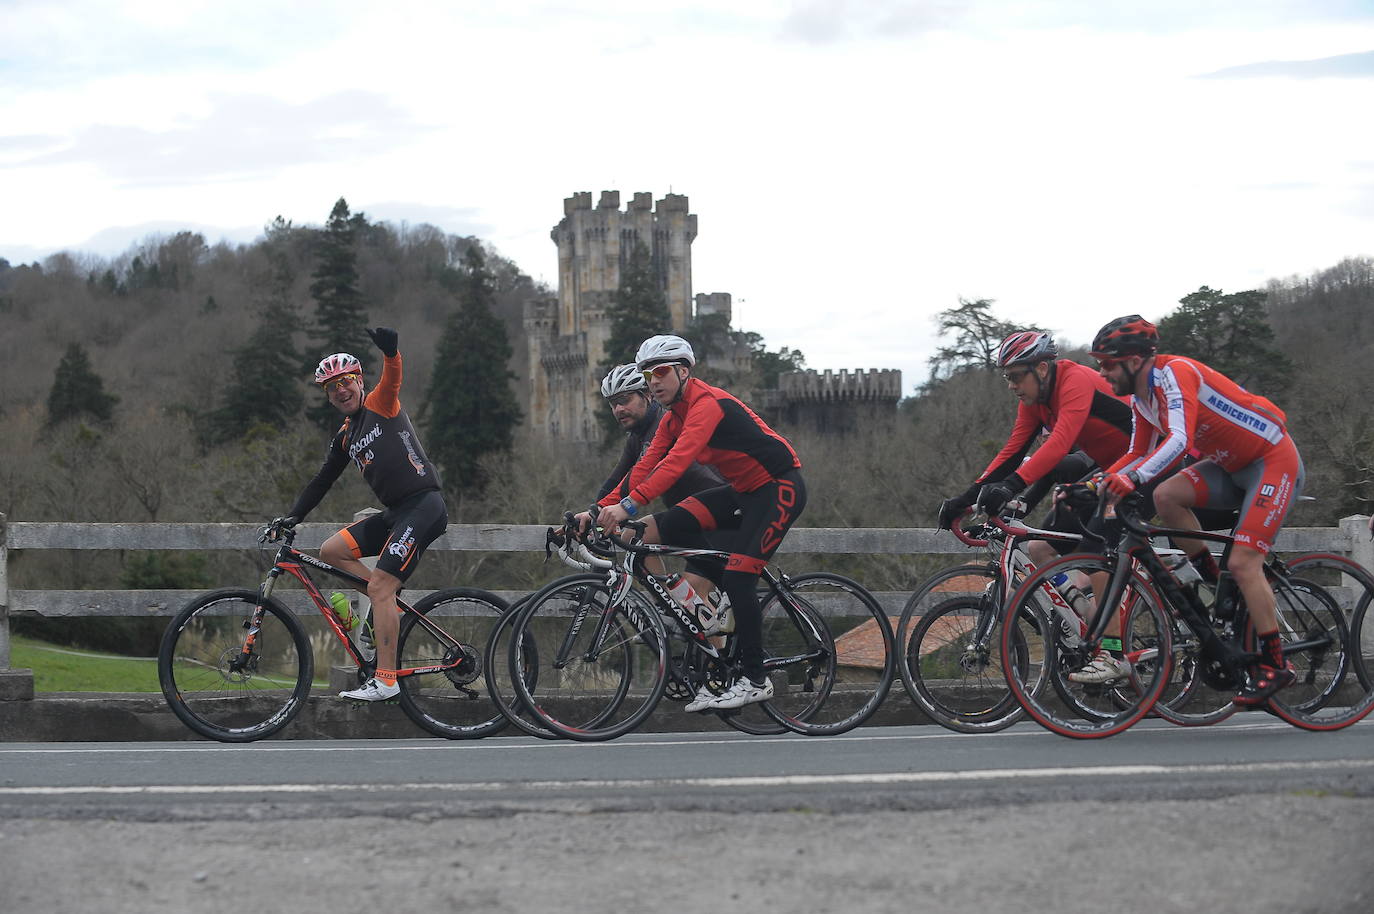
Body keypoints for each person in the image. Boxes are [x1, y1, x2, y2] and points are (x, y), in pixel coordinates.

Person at [1079, 315, 1304, 706]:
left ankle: (1275, 664)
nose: (1102, 371)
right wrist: (1095, 483)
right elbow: (1136, 452)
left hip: (1271, 460)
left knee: (1245, 563)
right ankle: (1214, 583)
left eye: (1106, 363)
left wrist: (1132, 480)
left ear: (1134, 361)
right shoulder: (1141, 397)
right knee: (1167, 497)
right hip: (1229, 466)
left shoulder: (1174, 373)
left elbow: (1180, 440)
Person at [590, 335, 806, 712]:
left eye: (661, 372)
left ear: (683, 371)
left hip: (778, 488)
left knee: (740, 577)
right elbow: (645, 467)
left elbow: (674, 466)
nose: (654, 381)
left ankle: (755, 679)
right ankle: (717, 660)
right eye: (648, 374)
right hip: (742, 491)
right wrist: (594, 513)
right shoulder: (673, 417)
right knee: (655, 526)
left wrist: (626, 506)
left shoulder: (706, 405)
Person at [271, 327, 448, 702]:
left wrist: (391, 351)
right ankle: (384, 603)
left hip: (423, 506)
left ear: (359, 382)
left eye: (346, 382)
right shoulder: (345, 436)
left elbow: (393, 377)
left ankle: (386, 679)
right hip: (396, 513)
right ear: (328, 396)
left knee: (382, 587)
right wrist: (292, 516)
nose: (341, 391)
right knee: (332, 551)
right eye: (332, 387)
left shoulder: (380, 404)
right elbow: (322, 480)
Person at [937, 330, 1133, 567]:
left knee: (1096, 556)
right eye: (1007, 377)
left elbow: (1059, 444)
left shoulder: (1074, 380)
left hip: (1145, 462)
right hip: (1112, 468)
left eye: (1016, 377)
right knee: (1041, 548)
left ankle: (1111, 603)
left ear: (1041, 368)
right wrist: (966, 498)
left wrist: (1010, 487)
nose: (1011, 385)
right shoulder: (1033, 401)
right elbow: (1012, 453)